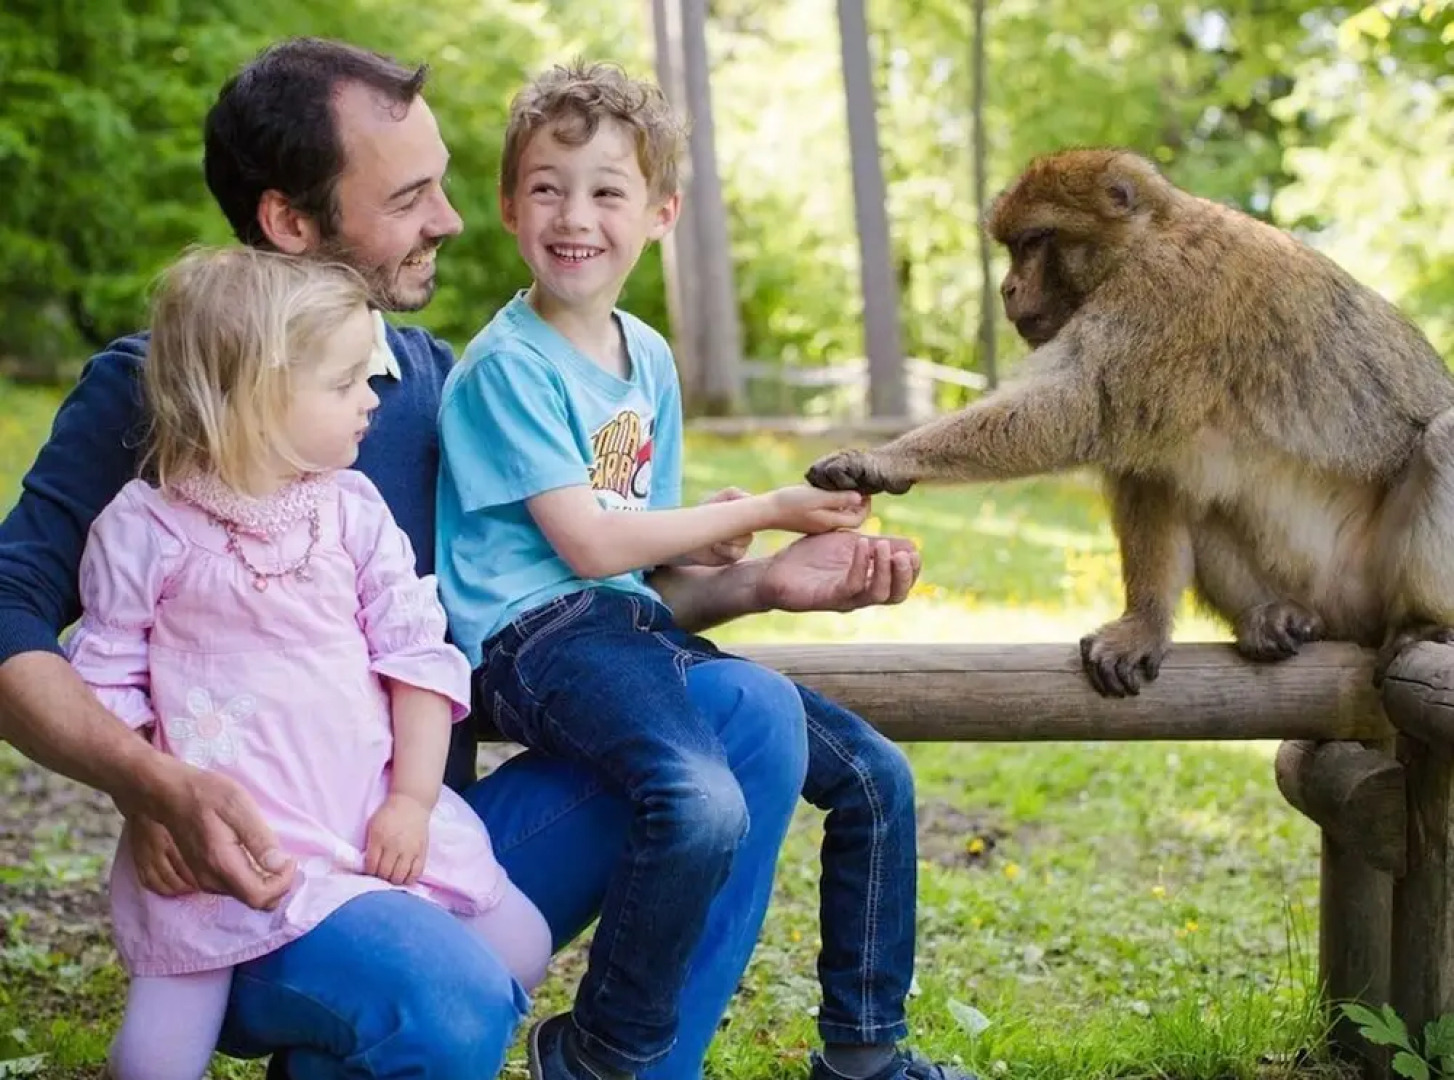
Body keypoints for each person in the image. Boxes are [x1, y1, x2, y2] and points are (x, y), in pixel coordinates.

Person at [0, 37, 921, 1078]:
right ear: (290, 221)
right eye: (410, 197)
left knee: (749, 716)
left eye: (441, 185)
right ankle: (380, 1010)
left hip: (416, 838)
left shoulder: (436, 385)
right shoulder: (169, 392)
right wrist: (149, 782)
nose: (449, 218)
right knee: (450, 1001)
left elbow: (553, 614)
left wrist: (754, 585)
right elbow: (7, 612)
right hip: (255, 871)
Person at [439, 61, 975, 1080]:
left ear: (660, 213)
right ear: (508, 205)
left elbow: (636, 571)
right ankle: (601, 1052)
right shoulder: (508, 366)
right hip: (530, 641)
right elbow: (591, 548)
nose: (574, 216)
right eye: (547, 187)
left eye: (607, 191)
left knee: (875, 778)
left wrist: (755, 571)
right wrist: (762, 509)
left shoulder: (644, 357)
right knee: (699, 800)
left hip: (623, 629)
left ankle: (865, 1054)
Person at [68, 247, 553, 1080]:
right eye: (344, 382)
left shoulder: (350, 513)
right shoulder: (145, 531)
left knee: (523, 946)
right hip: (225, 850)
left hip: (364, 813)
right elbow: (108, 684)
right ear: (256, 395)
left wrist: (410, 801)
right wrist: (148, 804)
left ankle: (332, 1047)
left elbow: (417, 658)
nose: (372, 398)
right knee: (155, 1060)